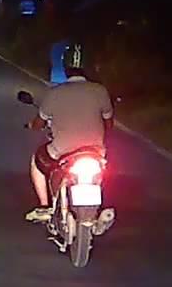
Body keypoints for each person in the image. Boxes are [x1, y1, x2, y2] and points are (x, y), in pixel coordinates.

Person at [24, 44, 114, 222]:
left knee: (37, 160)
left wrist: (32, 125)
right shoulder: (100, 91)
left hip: (63, 150)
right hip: (95, 151)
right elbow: (108, 122)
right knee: (103, 171)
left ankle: (44, 206)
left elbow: (39, 122)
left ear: (65, 68)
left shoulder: (55, 93)